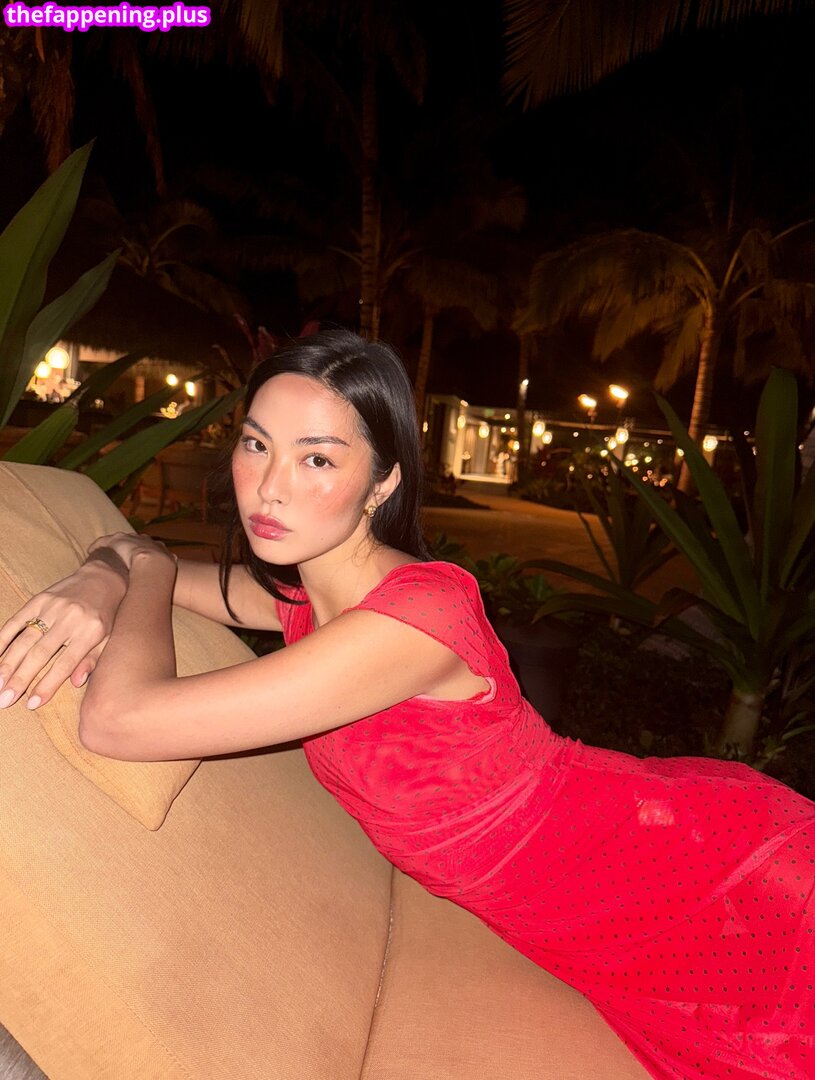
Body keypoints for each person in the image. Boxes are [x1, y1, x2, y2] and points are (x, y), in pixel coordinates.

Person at [0, 328, 813, 1080]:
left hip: (693, 879)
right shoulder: (305, 596)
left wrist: (136, 571)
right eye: (256, 444)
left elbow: (119, 719)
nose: (270, 487)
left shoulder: (412, 619)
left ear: (382, 481)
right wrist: (106, 572)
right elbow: (154, 563)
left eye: (317, 459)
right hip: (599, 903)